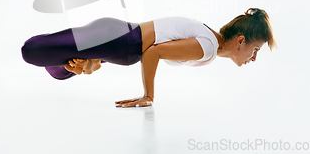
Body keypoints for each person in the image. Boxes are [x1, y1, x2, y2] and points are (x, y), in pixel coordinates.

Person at [21, 7, 276, 108]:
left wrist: (97, 60)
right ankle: (91, 59)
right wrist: (148, 96)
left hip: (119, 41)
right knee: (31, 51)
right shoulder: (208, 46)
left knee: (58, 72)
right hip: (123, 39)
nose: (253, 58)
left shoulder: (207, 37)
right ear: (241, 41)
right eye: (256, 50)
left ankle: (89, 61)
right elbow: (153, 51)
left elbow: (155, 46)